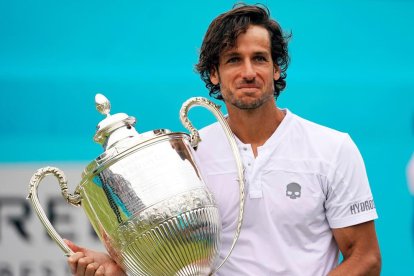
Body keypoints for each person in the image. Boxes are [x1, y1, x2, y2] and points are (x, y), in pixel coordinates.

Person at [66, 4, 381, 275]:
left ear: (275, 69)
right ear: (213, 73)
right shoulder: (186, 156)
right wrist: (121, 269)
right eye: (233, 60)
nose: (248, 72)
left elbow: (364, 258)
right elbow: (173, 262)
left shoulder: (332, 148)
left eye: (259, 59)